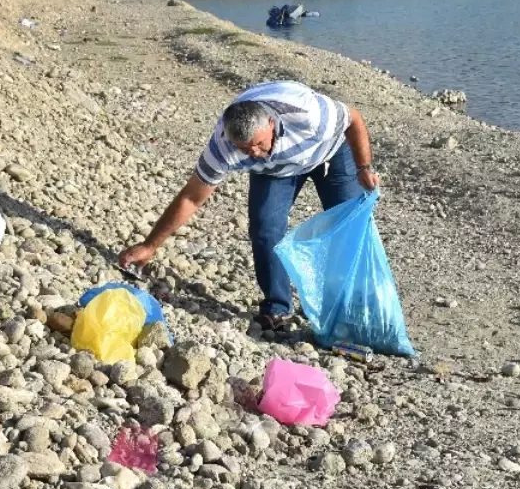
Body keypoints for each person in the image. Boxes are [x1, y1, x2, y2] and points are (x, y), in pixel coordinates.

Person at [118, 81, 380, 328]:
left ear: (270, 122)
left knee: (349, 226)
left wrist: (363, 167)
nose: (253, 153)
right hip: (276, 170)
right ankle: (278, 308)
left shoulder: (307, 113)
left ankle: (352, 306)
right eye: (245, 149)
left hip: (328, 151)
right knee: (265, 229)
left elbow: (353, 118)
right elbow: (191, 197)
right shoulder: (223, 147)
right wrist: (150, 245)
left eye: (258, 143)